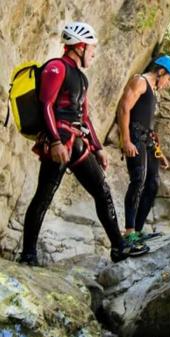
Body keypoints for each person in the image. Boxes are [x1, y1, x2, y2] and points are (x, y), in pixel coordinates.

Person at [18, 22, 148, 266]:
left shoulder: (81, 78)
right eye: (91, 48)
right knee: (43, 198)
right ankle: (28, 255)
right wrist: (55, 141)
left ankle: (119, 247)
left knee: (102, 191)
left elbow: (84, 116)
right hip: (58, 145)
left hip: (76, 144)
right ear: (79, 46)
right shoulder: (56, 68)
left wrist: (98, 148)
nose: (93, 53)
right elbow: (46, 104)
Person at [117, 55, 170, 243]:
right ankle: (129, 232)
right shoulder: (140, 81)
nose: (168, 84)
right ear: (160, 71)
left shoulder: (152, 90)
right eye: (169, 79)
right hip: (134, 137)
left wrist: (159, 153)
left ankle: (138, 229)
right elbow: (123, 109)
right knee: (138, 180)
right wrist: (125, 140)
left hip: (147, 141)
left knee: (152, 184)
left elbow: (148, 126)